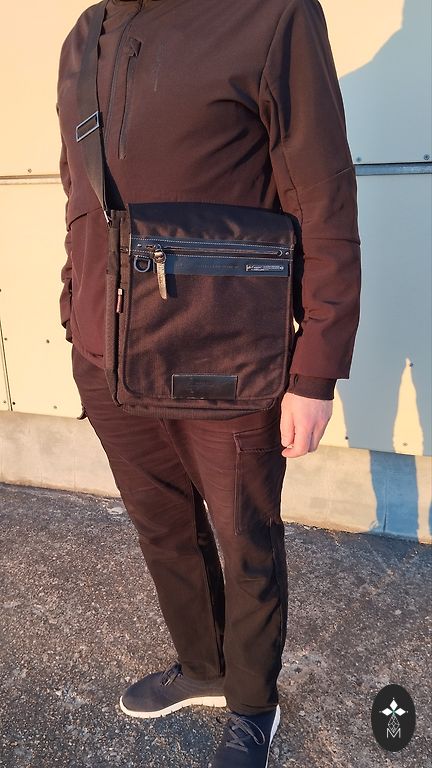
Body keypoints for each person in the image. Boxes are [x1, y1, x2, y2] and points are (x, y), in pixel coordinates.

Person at [56, 0, 361, 765]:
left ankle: (253, 703)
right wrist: (73, 306)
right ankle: (202, 667)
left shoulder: (271, 16)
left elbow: (322, 197)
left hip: (225, 353)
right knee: (161, 526)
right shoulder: (85, 34)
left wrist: (316, 369)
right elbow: (79, 196)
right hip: (106, 356)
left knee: (244, 537)